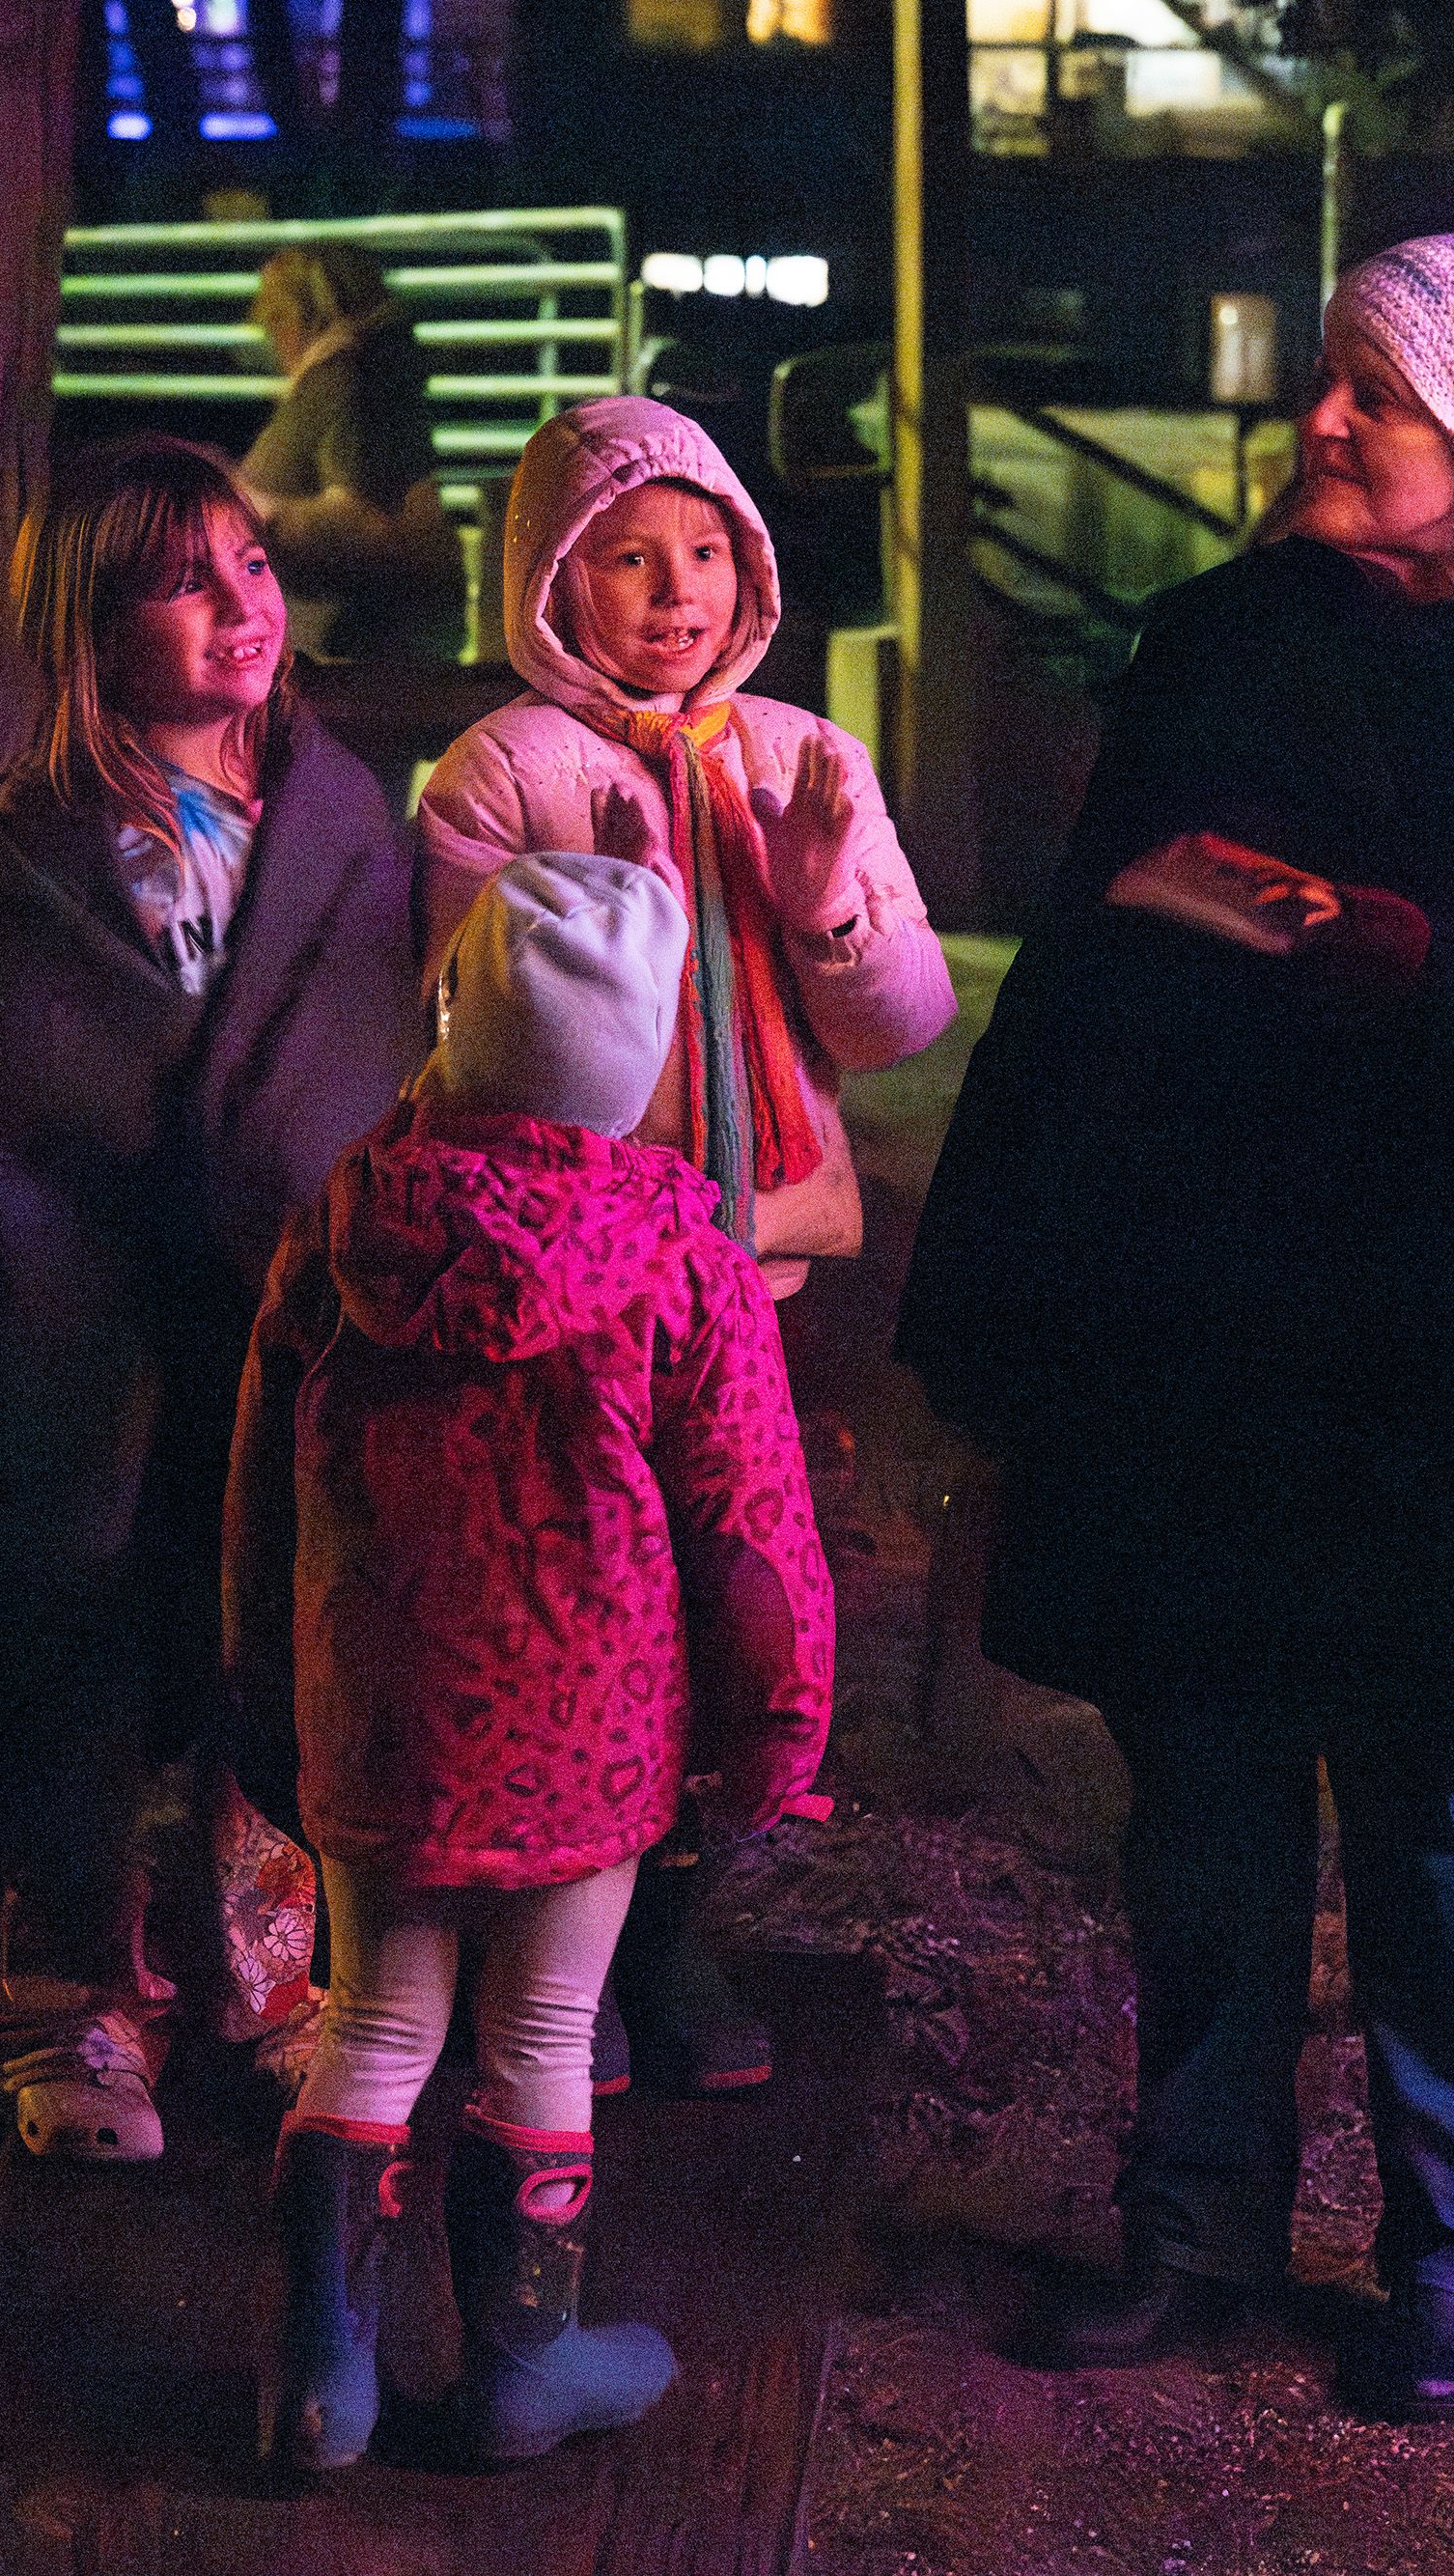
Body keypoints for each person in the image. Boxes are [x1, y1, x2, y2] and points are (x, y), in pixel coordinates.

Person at [896, 233, 1454, 2423]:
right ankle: (1188, 2220)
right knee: (1200, 1783)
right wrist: (995, 1292)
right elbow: (1080, 988)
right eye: (1333, 381)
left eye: (1371, 393)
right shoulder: (1218, 644)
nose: (1324, 422)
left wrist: (1427, 974)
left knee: (1439, 1809)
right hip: (1206, 1305)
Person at [0, 436, 428, 2167]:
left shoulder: (333, 812)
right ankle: (72, 1998)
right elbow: (27, 1101)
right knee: (68, 1636)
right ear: (91, 627)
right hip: (78, 1330)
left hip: (281, 1318)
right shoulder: (44, 841)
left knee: (279, 1640)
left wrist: (292, 1206)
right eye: (184, 579)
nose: (240, 604)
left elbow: (349, 1053)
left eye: (252, 564)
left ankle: (265, 1977)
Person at [230, 849, 836, 2470]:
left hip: (374, 1727)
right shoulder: (683, 1261)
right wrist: (774, 1737)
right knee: (543, 2035)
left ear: (455, 1017)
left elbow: (252, 1491)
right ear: (634, 1063)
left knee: (370, 2022)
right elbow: (754, 1538)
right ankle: (521, 2363)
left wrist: (248, 1688)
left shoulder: (342, 1228)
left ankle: (322, 2381)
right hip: (590, 1742)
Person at [416, 395, 956, 2094]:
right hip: (584, 1284)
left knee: (741, 1597)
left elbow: (900, 1027)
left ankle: (687, 1917)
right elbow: (461, 1036)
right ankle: (584, 1949)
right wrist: (606, 923)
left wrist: (824, 899)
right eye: (628, 559)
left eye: (706, 551)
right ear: (552, 582)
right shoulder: (503, 769)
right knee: (593, 1605)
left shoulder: (802, 752)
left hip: (758, 1267)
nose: (676, 591)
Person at [239, 244, 464, 662]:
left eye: (274, 319)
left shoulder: (346, 382)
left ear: (300, 317)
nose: (272, 340)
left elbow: (366, 525)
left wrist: (251, 510)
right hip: (386, 633)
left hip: (355, 644)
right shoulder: (380, 379)